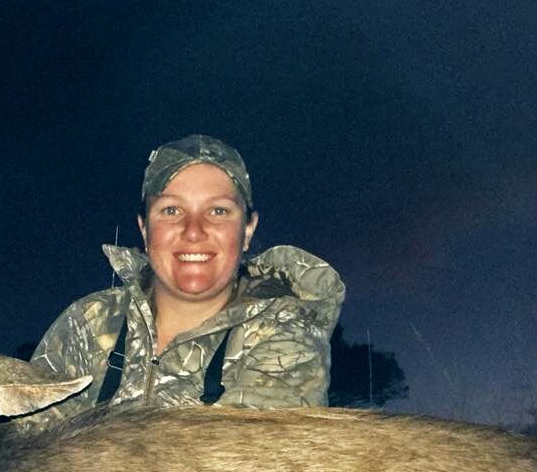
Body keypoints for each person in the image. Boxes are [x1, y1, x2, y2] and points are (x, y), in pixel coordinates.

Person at [28, 134, 344, 426]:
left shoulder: (288, 334)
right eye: (171, 210)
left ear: (247, 230)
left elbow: (243, 468)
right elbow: (25, 450)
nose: (194, 231)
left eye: (218, 211)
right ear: (144, 228)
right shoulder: (89, 322)